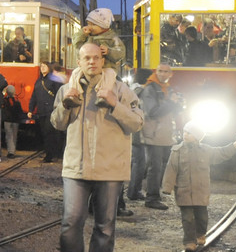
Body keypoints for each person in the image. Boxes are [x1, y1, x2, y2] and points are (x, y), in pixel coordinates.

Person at [51, 42, 145, 252]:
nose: (92, 61)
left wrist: (114, 104)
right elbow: (56, 124)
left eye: (96, 57)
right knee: (70, 223)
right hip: (76, 168)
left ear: (103, 61)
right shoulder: (68, 90)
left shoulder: (121, 90)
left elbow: (137, 124)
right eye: (87, 58)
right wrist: (65, 105)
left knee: (105, 227)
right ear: (79, 62)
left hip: (110, 169)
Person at [161, 123, 236, 252]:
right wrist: (167, 187)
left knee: (202, 217)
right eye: (184, 132)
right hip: (184, 190)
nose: (185, 134)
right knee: (187, 218)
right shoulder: (177, 151)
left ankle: (200, 234)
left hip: (201, 191)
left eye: (189, 133)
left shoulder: (206, 150)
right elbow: (171, 169)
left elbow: (222, 153)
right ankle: (189, 241)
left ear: (197, 137)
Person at [139, 63, 183, 210]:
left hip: (165, 134)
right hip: (154, 133)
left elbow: (172, 111)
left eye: (166, 72)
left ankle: (155, 194)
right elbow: (152, 111)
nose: (162, 74)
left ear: (171, 74)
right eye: (160, 71)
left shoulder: (167, 88)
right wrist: (171, 102)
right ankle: (151, 198)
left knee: (161, 166)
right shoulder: (150, 88)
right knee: (155, 167)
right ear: (155, 72)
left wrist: (178, 104)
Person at [70, 8, 125, 105]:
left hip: (106, 67)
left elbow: (121, 52)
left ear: (104, 26)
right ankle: (73, 95)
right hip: (88, 68)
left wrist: (109, 51)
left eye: (93, 24)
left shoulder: (112, 38)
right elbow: (76, 44)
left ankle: (104, 96)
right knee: (75, 73)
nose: (89, 27)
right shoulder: (87, 37)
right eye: (88, 24)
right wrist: (82, 33)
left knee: (109, 76)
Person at [30, 62, 64, 163]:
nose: (42, 68)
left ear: (49, 68)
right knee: (44, 133)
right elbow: (34, 96)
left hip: (51, 111)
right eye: (41, 66)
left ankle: (50, 155)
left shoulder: (53, 80)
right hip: (41, 112)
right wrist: (30, 109)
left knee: (50, 133)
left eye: (44, 66)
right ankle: (49, 152)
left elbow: (59, 93)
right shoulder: (38, 81)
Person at [126, 68, 151, 202]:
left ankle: (134, 190)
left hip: (136, 131)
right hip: (137, 132)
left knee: (139, 161)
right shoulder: (139, 91)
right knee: (139, 162)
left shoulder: (133, 89)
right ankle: (134, 191)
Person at [2, 84, 25, 158]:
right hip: (15, 121)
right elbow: (20, 112)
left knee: (8, 136)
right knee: (14, 136)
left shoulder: (4, 101)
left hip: (7, 121)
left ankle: (10, 151)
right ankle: (13, 151)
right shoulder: (17, 102)